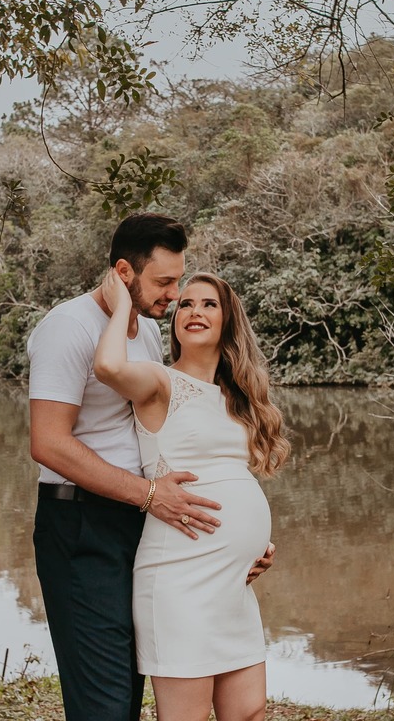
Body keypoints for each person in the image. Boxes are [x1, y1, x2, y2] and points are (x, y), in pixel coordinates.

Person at [27, 213, 274, 721]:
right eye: (165, 283)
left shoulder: (145, 335)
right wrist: (147, 493)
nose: (174, 295)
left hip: (138, 523)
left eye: (179, 281)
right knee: (106, 705)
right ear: (124, 273)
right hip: (82, 525)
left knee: (132, 690)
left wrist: (237, 544)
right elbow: (48, 444)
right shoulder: (67, 327)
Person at [93, 269, 291, 721]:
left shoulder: (237, 396)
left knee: (249, 711)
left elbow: (232, 477)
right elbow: (107, 367)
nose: (194, 311)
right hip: (179, 579)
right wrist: (123, 306)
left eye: (208, 304)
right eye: (185, 304)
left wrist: (254, 546)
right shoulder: (160, 383)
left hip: (234, 585)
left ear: (228, 321)